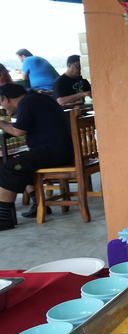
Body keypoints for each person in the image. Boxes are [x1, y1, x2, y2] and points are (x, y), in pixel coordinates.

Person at [0, 83, 74, 229]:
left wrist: (1, 123)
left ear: (6, 98)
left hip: (52, 152)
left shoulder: (27, 102)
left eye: (1, 103)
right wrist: (18, 115)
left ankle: (3, 219)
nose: (3, 107)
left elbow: (18, 132)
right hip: (61, 150)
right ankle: (39, 204)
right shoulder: (36, 98)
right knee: (24, 164)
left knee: (9, 168)